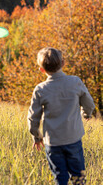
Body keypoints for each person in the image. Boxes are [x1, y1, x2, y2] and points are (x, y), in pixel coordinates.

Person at [27, 47, 95, 185]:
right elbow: (89, 104)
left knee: (60, 178)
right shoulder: (75, 82)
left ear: (42, 70)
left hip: (53, 143)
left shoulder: (40, 89)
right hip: (73, 139)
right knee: (78, 177)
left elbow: (33, 118)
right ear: (63, 63)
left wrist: (36, 136)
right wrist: (86, 113)